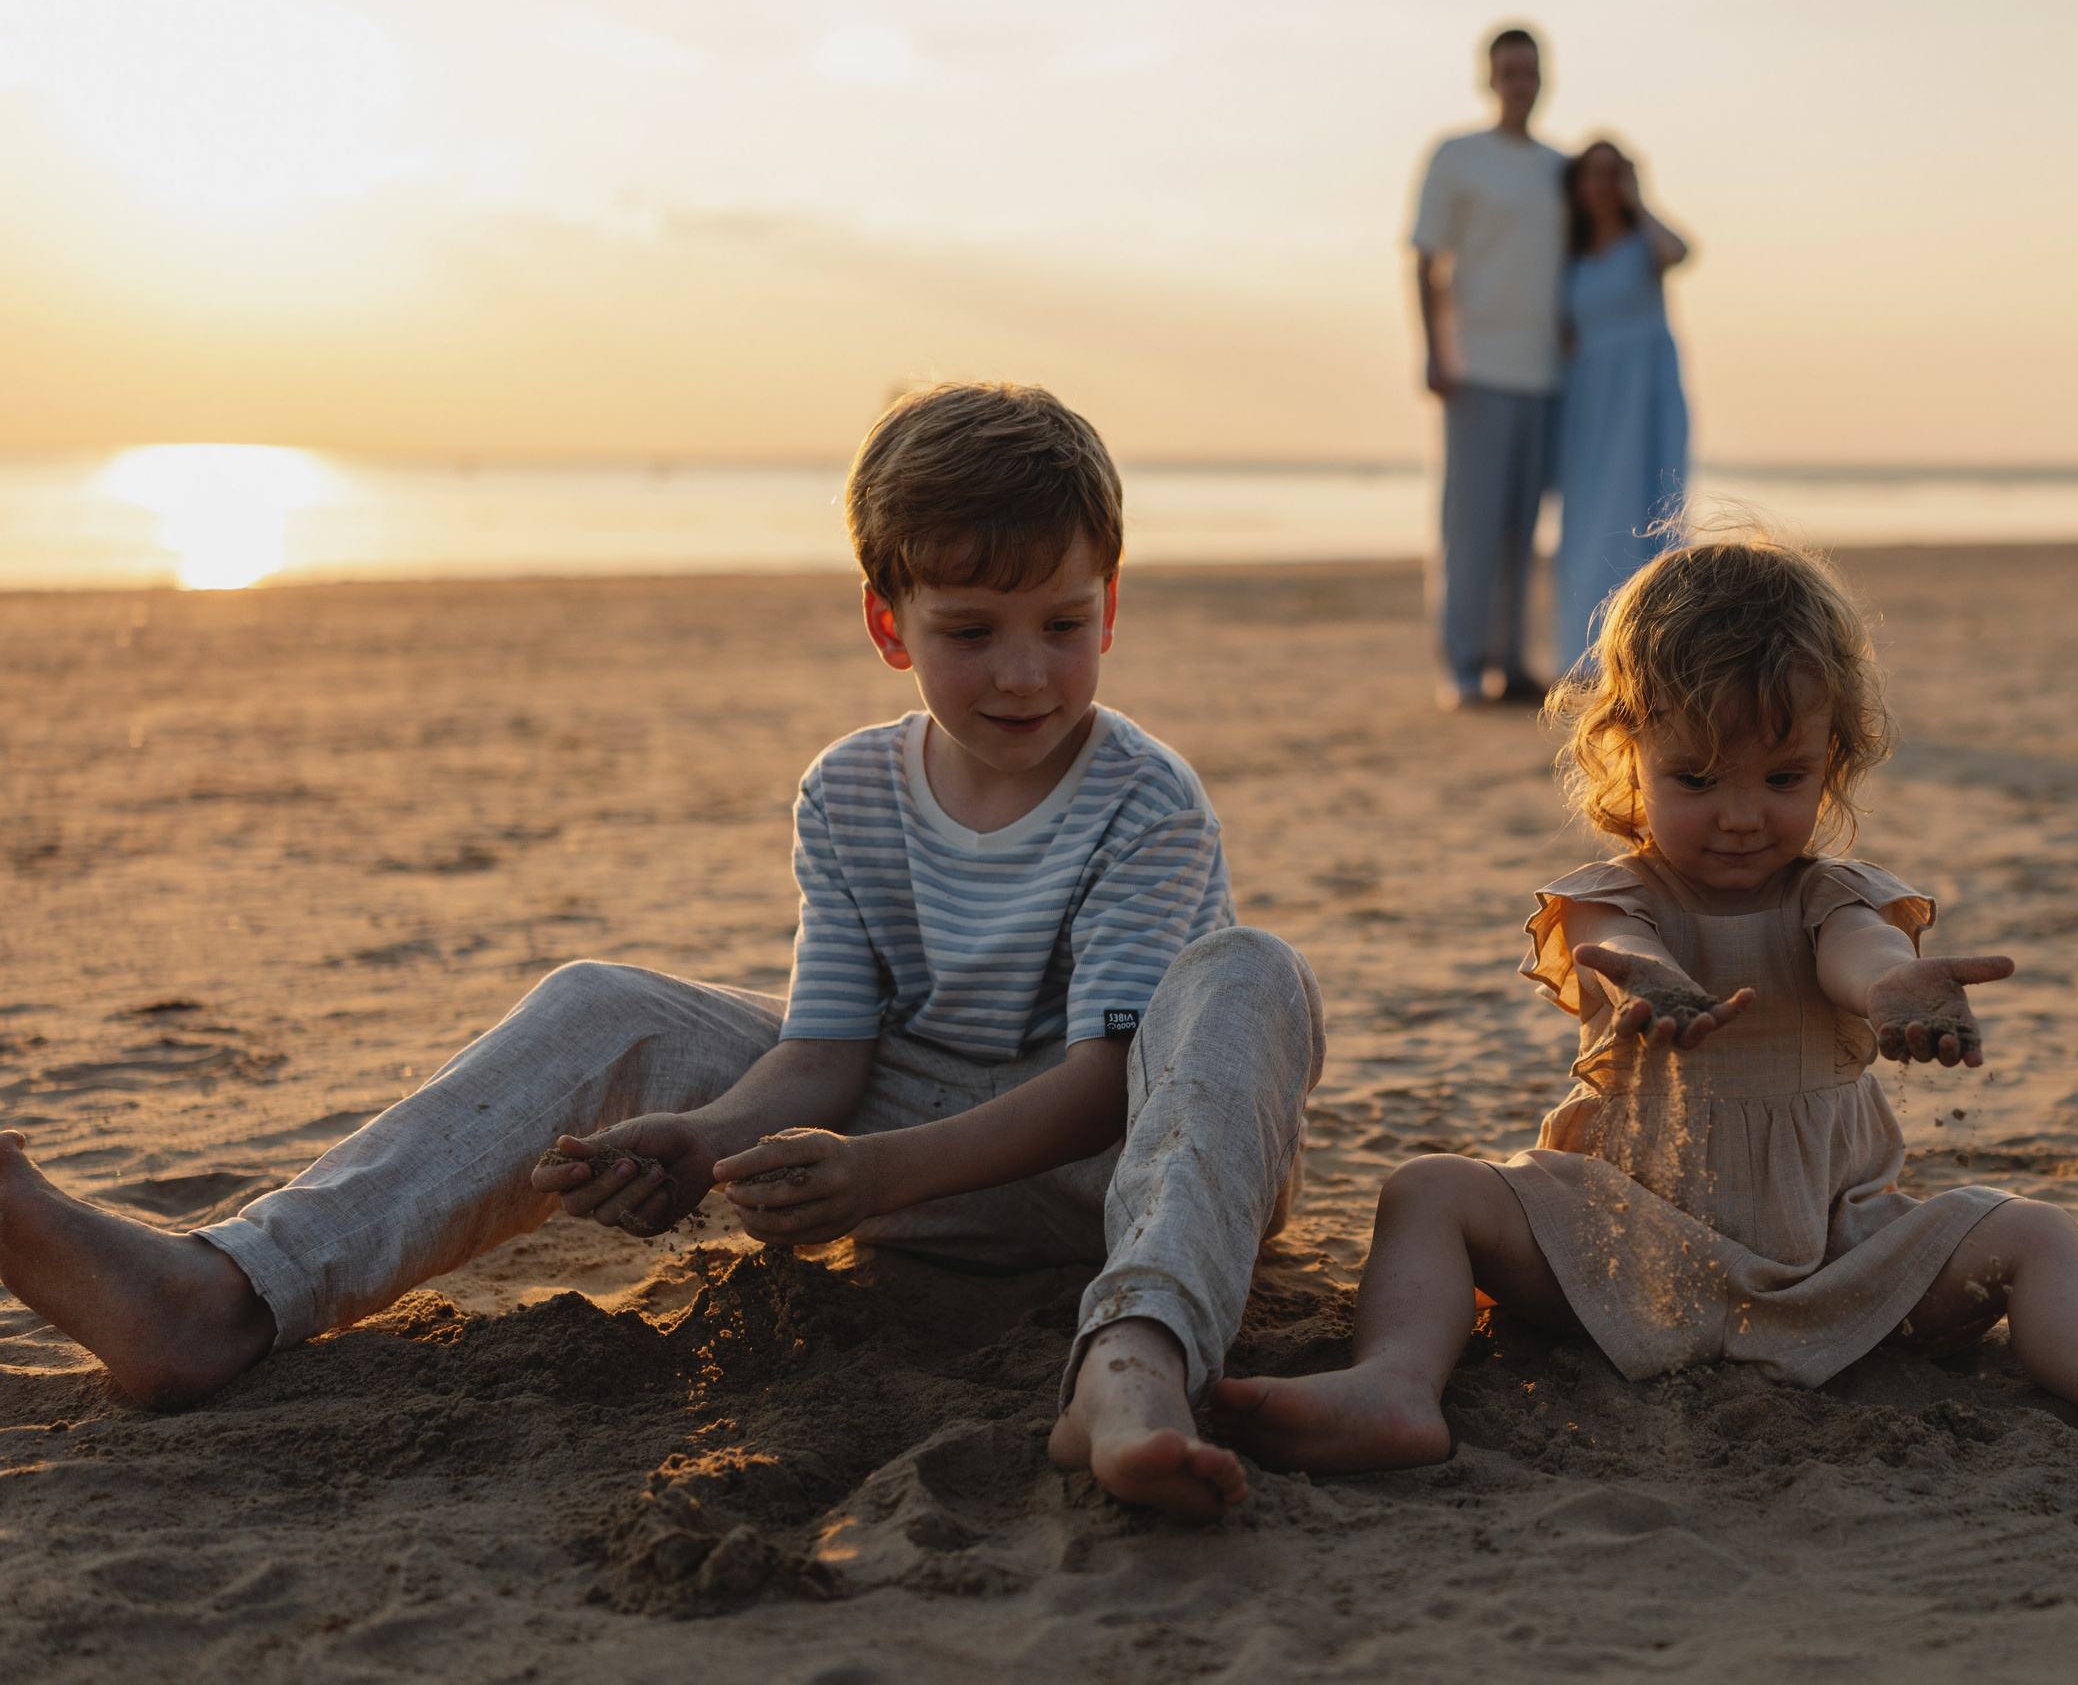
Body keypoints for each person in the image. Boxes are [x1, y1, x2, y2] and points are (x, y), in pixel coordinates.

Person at [0, 382, 1325, 1523]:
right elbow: (826, 1052)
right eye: (971, 629)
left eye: (1063, 621)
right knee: (607, 1002)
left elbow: (1109, 1076)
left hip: (1132, 1173)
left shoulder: (1144, 794)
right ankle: (224, 1293)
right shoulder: (853, 790)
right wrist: (706, 1133)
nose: (1026, 670)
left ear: (1112, 606)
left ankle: (1133, 1360)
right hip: (909, 1156)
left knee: (1250, 969)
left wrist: (877, 1173)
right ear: (887, 624)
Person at [1213, 535, 2078, 1481]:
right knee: (1431, 1190)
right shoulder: (1617, 895)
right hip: (1623, 1245)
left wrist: (1899, 988)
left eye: (1783, 776)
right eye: (1694, 779)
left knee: (2029, 1232)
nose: (1743, 816)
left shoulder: (1832, 896)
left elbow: (1855, 952)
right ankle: (1394, 1387)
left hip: (1834, 1259)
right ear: (1628, 756)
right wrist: (1645, 979)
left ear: (1834, 761)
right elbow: (1612, 940)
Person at [1411, 24, 1567, 708]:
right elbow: (1425, 259)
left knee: (1522, 529)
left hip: (1545, 374)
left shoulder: (1558, 168)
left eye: (1528, 70)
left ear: (1542, 78)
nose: (1518, 81)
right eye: (1507, 70)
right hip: (1475, 367)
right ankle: (1464, 668)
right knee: (1468, 527)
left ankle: (1512, 660)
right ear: (1489, 78)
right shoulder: (1457, 156)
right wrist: (1433, 351)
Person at [1553, 139, 1691, 677]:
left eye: (1613, 175)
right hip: (1590, 399)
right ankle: (1587, 656)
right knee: (1590, 521)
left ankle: (1657, 655)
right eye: (1592, 175)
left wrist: (1641, 201)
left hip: (1649, 394)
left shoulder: (1645, 244)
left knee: (1656, 513)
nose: (1602, 186)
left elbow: (1680, 252)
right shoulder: (1571, 254)